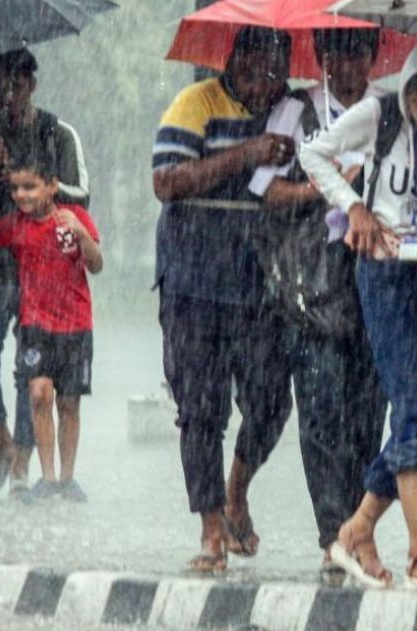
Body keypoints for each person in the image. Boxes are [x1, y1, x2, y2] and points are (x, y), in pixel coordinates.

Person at [299, 26, 417, 591]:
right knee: (409, 401)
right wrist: (355, 207)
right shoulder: (378, 116)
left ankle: (355, 528)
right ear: (406, 89)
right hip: (383, 273)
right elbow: (313, 153)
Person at [240, 27, 389, 583]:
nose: (347, 61)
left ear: (373, 56)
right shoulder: (297, 110)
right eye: (337, 51)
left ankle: (359, 528)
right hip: (310, 284)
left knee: (368, 409)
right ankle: (332, 535)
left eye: (358, 50)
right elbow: (266, 192)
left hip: (371, 277)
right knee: (322, 409)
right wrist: (328, 190)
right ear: (321, 55)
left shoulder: (386, 113)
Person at [152, 26, 296, 573]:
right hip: (193, 281)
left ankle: (238, 489)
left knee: (271, 402)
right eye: (257, 65)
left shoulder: (291, 111)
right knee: (201, 410)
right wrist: (248, 153)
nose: (266, 79)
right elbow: (167, 182)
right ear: (235, 59)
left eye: (276, 67)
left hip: (262, 283)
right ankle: (211, 528)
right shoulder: (195, 104)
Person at [0, 48, 91, 501]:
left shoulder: (56, 132)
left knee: (30, 368)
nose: (5, 95)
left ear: (31, 85)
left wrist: (36, 191)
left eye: (15, 85)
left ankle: (22, 457)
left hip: (42, 271)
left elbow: (81, 195)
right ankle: (0, 438)